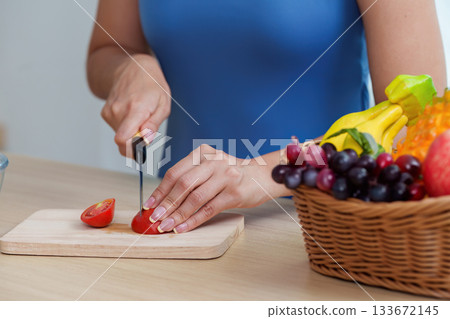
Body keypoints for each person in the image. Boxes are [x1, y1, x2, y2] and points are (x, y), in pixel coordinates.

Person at [87, 0, 446, 234]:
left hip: (323, 230)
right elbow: (105, 53)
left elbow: (420, 123)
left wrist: (267, 171)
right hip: (179, 222)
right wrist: (130, 68)